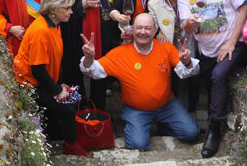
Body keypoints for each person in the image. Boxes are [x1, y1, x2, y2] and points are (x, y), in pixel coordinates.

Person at [80, 13, 200, 151]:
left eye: (148, 28)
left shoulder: (165, 47)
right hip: (136, 110)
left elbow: (185, 72)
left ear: (155, 30)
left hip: (167, 105)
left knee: (192, 133)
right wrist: (89, 58)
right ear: (132, 30)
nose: (143, 32)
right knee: (137, 144)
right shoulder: (120, 53)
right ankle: (138, 126)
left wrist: (187, 61)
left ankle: (163, 126)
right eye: (139, 28)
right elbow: (93, 71)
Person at [178, 0, 247, 158]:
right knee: (207, 80)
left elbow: (244, 9)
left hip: (233, 42)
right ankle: (213, 118)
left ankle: (214, 130)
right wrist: (189, 23)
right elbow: (187, 27)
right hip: (205, 48)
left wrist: (231, 42)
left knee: (219, 77)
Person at [13, 0, 89, 156]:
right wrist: (57, 90)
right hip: (29, 85)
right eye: (67, 8)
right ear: (53, 10)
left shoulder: (55, 25)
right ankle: (71, 145)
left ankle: (63, 138)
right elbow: (38, 70)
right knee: (67, 107)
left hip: (41, 80)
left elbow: (53, 60)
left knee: (71, 98)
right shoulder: (41, 31)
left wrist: (60, 83)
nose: (71, 12)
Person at [60, 0, 119, 109]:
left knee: (100, 76)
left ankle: (99, 115)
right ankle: (79, 115)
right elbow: (62, 8)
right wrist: (82, 4)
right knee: (76, 77)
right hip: (78, 33)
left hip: (104, 31)